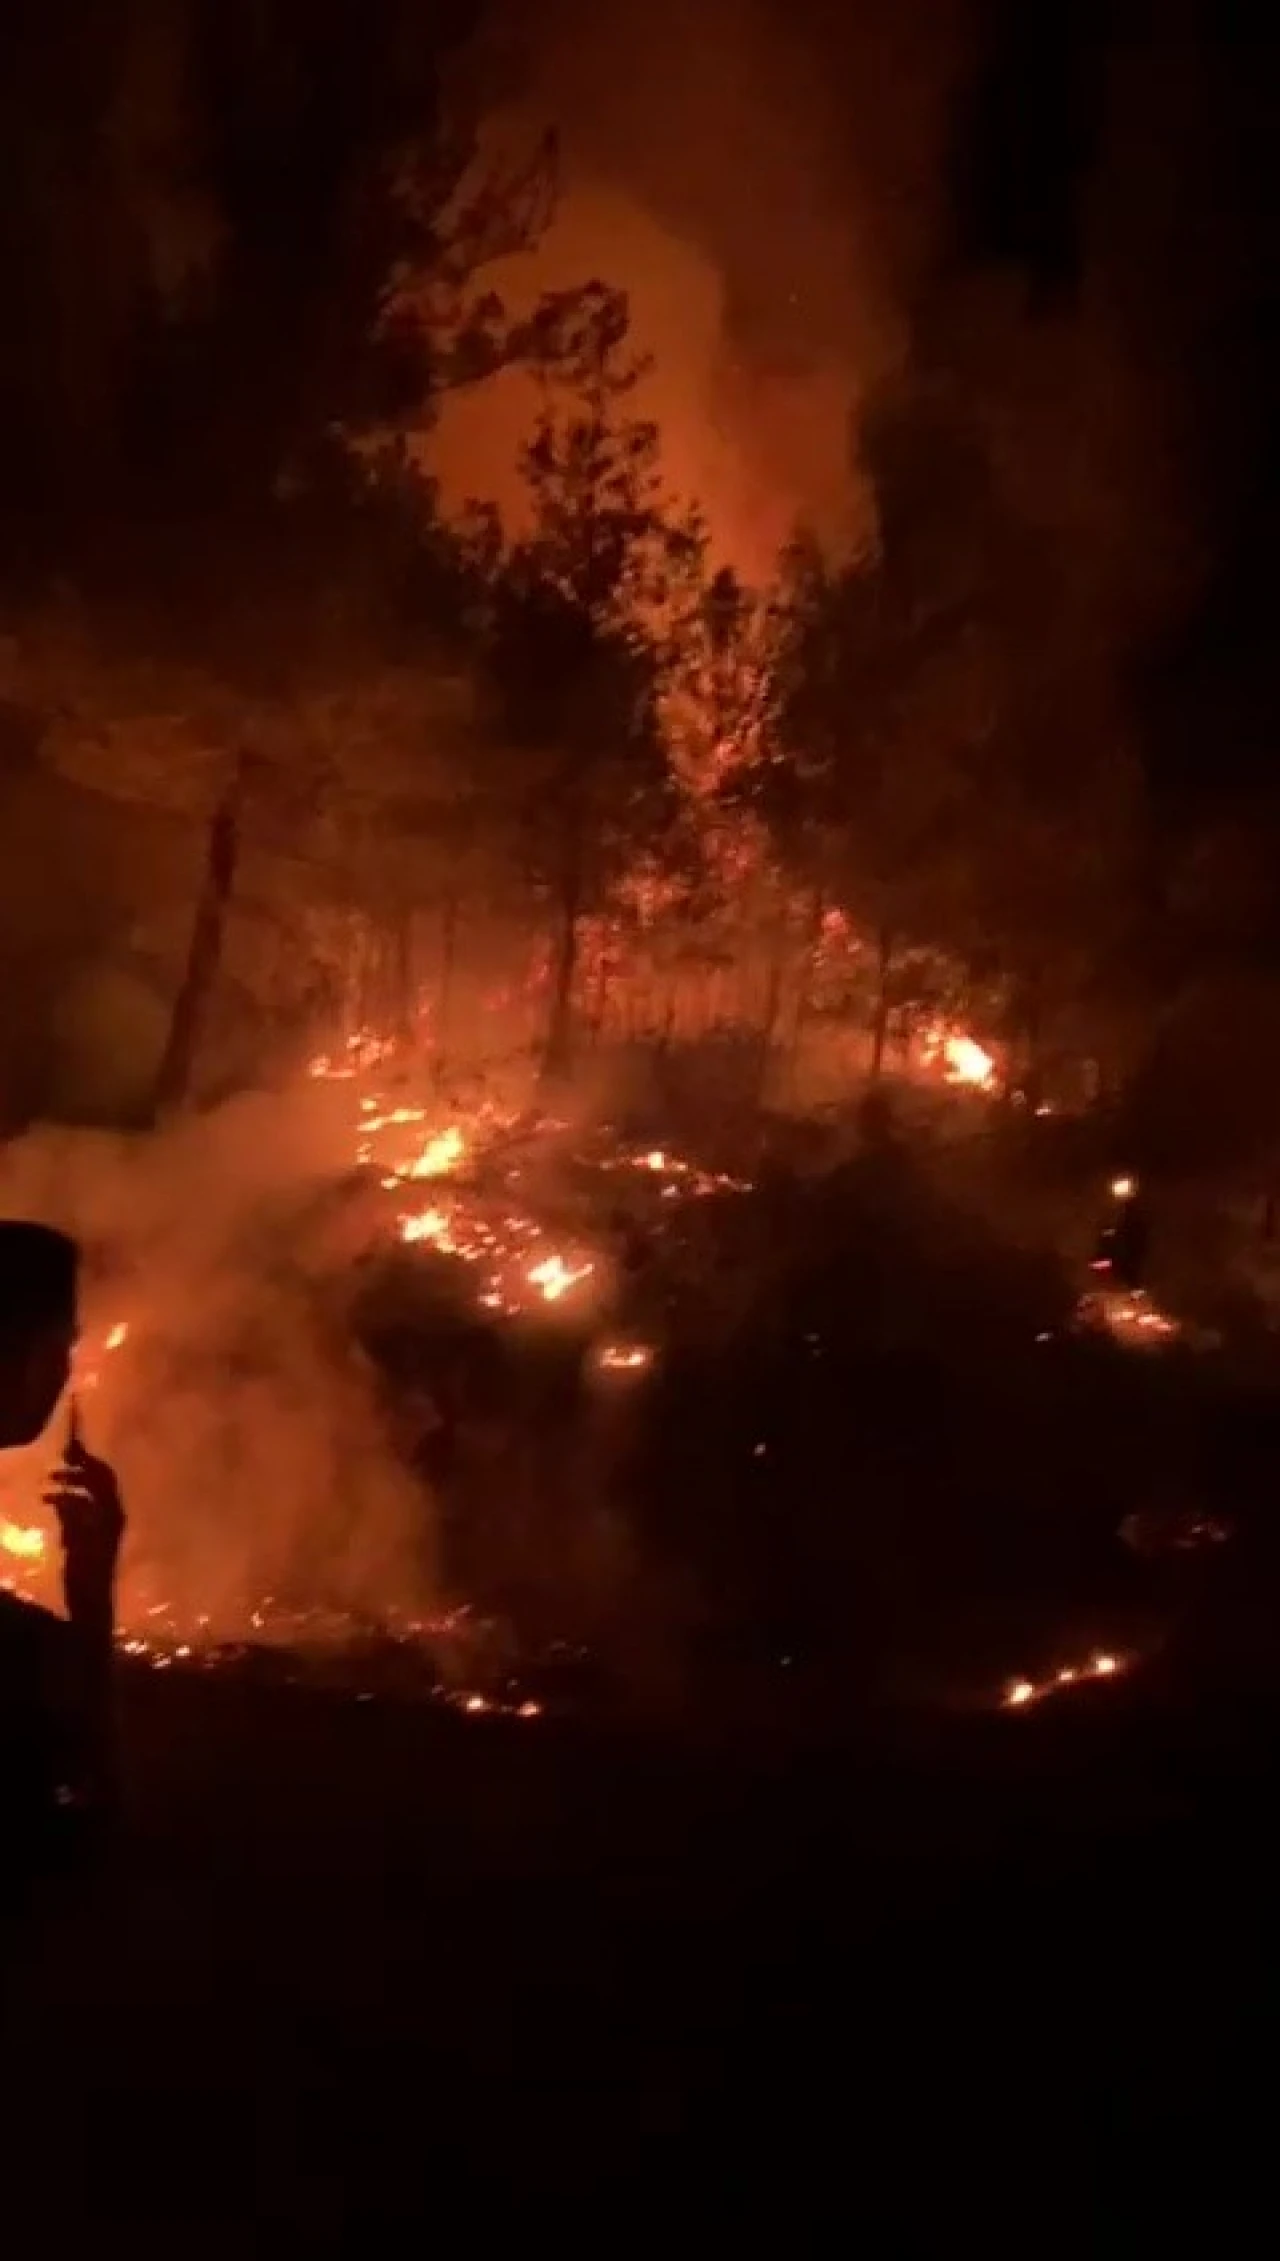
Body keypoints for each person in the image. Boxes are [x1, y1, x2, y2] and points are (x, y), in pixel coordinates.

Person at [0, 1221, 125, 1829]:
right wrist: (92, 1600)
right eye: (59, 1346)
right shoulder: (21, 1651)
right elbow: (79, 1785)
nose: (65, 1373)